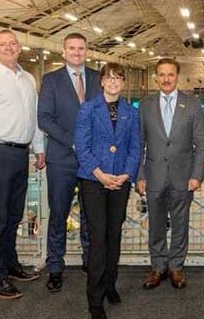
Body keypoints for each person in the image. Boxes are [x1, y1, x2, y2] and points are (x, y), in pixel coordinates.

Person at [0, 30, 46, 299]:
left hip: (21, 153)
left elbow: (33, 118)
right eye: (3, 44)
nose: (9, 48)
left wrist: (38, 148)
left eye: (13, 43)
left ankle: (11, 264)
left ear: (19, 47)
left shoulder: (28, 78)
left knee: (14, 215)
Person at [75, 62, 141, 319]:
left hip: (119, 182)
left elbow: (135, 147)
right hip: (93, 181)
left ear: (123, 82)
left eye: (118, 78)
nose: (113, 82)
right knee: (98, 238)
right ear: (101, 81)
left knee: (114, 235)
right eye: (109, 78)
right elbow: (82, 147)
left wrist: (126, 174)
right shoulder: (88, 109)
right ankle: (94, 299)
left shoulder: (130, 112)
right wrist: (100, 174)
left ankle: (110, 284)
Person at [136, 58, 204, 289]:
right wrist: (140, 176)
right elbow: (138, 144)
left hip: (183, 177)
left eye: (170, 74)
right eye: (162, 75)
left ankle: (176, 267)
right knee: (155, 225)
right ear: (155, 77)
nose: (166, 79)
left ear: (178, 76)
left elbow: (201, 143)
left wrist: (197, 175)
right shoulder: (145, 106)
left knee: (180, 224)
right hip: (153, 175)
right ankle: (158, 267)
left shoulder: (192, 105)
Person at [38, 32, 100, 292]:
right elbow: (44, 118)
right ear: (63, 52)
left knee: (91, 214)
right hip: (62, 159)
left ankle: (90, 261)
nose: (77, 52)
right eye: (72, 48)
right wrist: (73, 142)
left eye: (81, 48)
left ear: (87, 51)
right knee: (58, 214)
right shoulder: (51, 80)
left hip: (92, 161)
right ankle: (55, 266)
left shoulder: (98, 78)